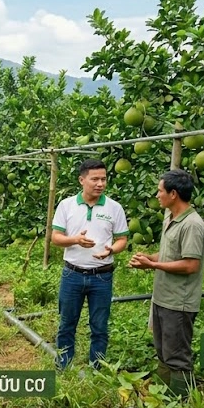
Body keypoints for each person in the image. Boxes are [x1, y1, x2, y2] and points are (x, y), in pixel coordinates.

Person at [129, 169, 204, 398]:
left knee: (177, 356)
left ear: (173, 194)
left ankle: (181, 405)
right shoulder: (171, 219)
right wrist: (149, 258)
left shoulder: (192, 224)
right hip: (163, 297)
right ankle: (163, 398)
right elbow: (172, 255)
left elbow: (190, 265)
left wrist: (153, 266)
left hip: (179, 301)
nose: (157, 195)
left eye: (160, 191)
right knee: (163, 353)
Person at [50, 158, 129, 369]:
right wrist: (75, 240)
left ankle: (98, 367)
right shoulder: (66, 206)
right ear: (82, 180)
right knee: (67, 323)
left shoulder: (115, 208)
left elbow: (122, 239)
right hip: (72, 274)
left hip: (102, 275)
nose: (100, 184)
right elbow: (55, 238)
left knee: (99, 325)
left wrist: (111, 249)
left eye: (103, 179)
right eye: (95, 179)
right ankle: (64, 364)